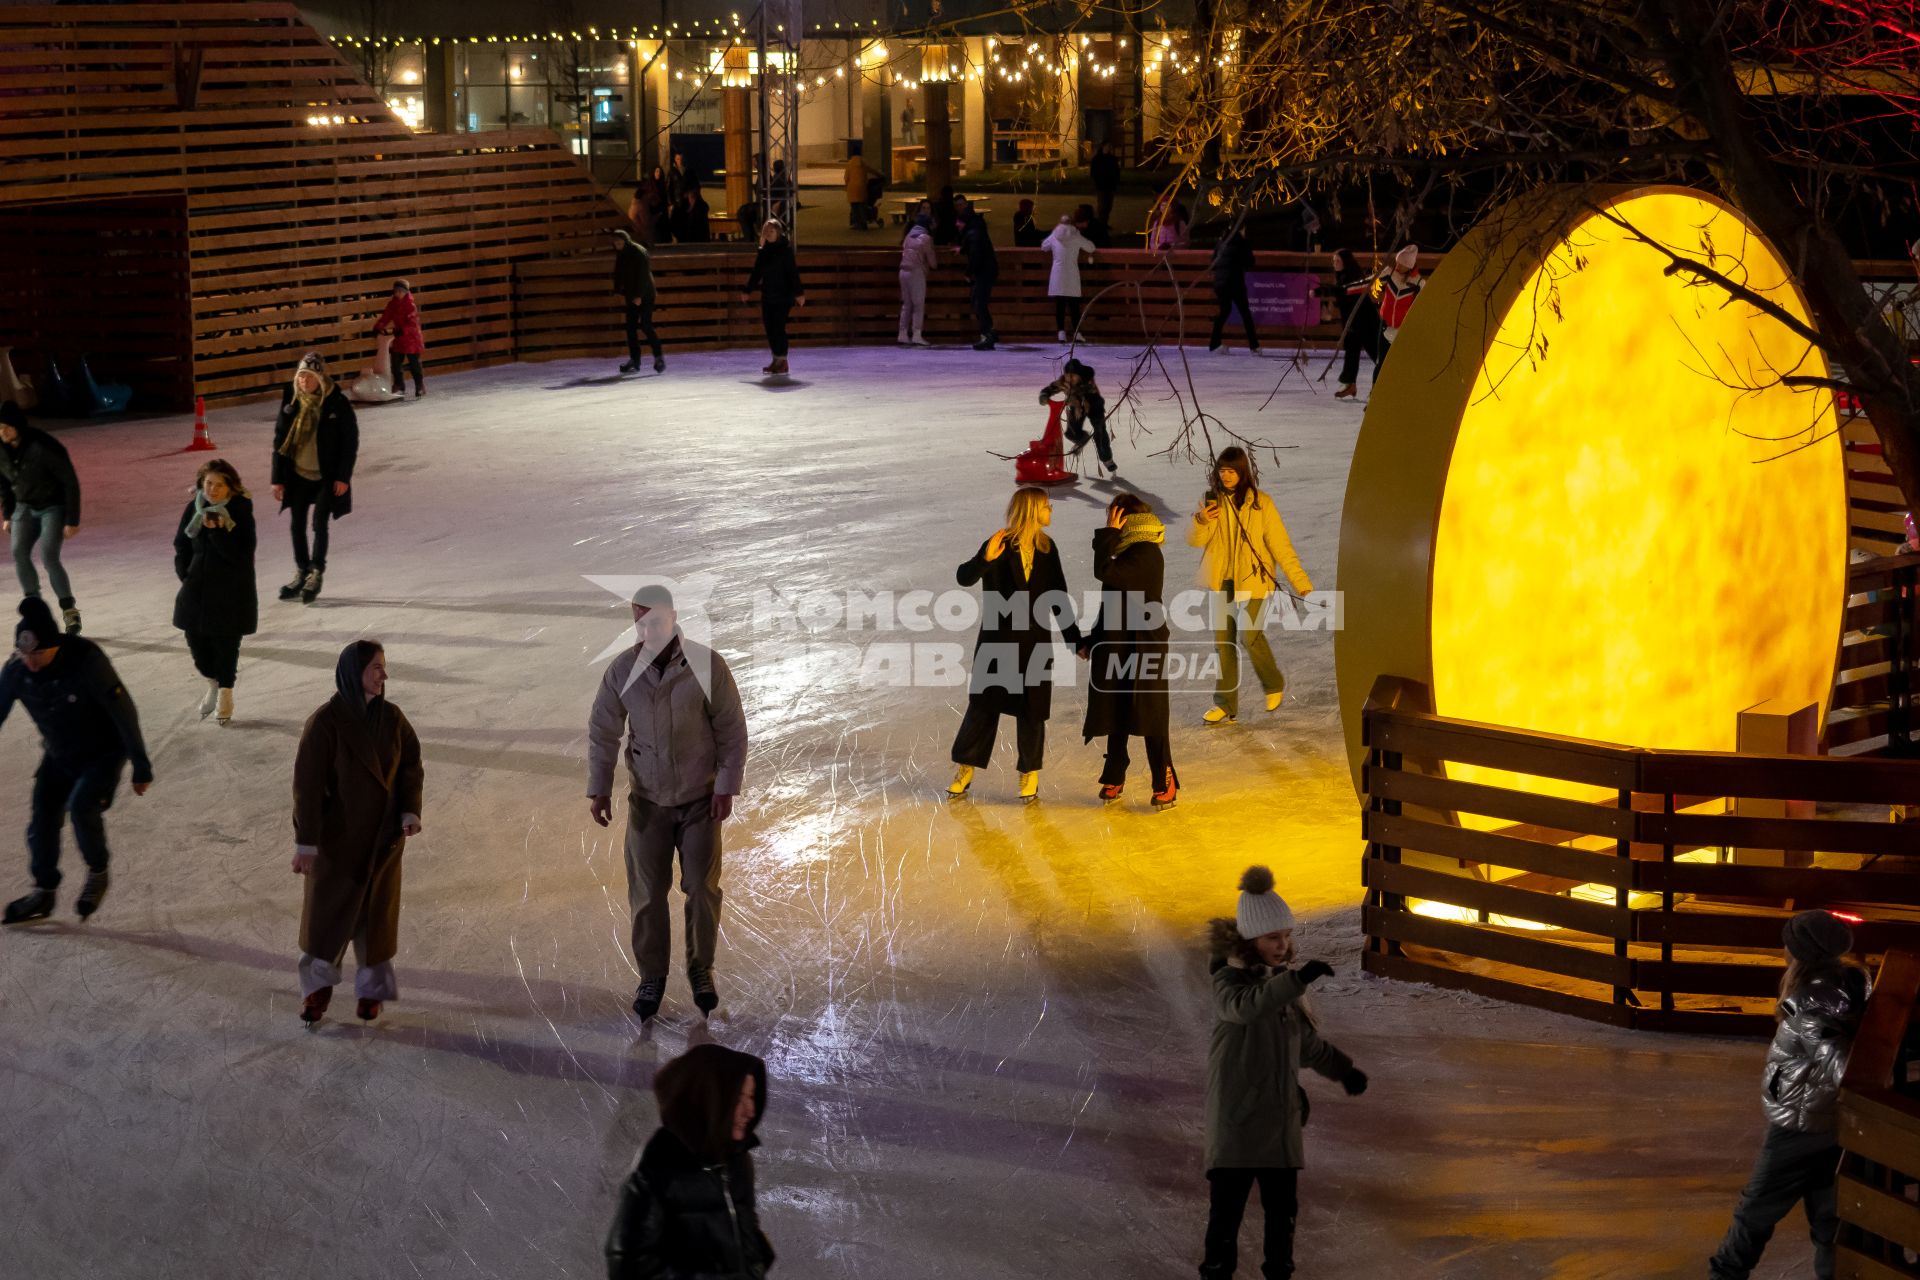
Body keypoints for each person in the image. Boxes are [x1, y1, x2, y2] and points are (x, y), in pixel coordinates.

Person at [587, 584, 748, 1022]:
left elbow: (731, 730)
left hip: (699, 801)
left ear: (673, 617)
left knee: (702, 888)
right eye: (638, 622)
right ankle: (651, 975)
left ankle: (701, 969)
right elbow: (604, 730)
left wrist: (725, 787)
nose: (646, 630)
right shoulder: (622, 671)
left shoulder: (706, 665)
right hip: (648, 803)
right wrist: (599, 787)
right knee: (646, 895)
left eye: (654, 621)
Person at [1202, 865, 1368, 1280]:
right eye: (1273, 937)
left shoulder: (1281, 986)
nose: (1283, 944)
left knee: (1282, 1222)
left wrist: (1343, 1070)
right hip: (1237, 1124)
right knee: (1225, 1221)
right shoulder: (1229, 983)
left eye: (1287, 936)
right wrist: (1295, 981)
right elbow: (1245, 1007)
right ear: (1250, 940)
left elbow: (1304, 1044)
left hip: (1279, 1124)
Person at [1709, 910, 1871, 1280]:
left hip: (1800, 1125)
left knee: (1755, 1212)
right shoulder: (1846, 982)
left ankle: (1724, 1275)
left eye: (1787, 943)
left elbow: (1842, 1065)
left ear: (1800, 951)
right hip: (1830, 1122)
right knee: (1828, 1218)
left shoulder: (1812, 1002)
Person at [291, 640, 423, 1025]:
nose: (384, 675)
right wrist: (306, 843)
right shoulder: (325, 724)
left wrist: (409, 809)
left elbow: (411, 765)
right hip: (338, 844)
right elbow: (308, 788)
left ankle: (372, 991)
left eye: (383, 668)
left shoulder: (393, 719)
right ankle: (316, 990)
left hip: (383, 842)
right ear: (355, 672)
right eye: (376, 668)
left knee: (374, 923)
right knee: (327, 921)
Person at [0, 597, 153, 925]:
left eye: (37, 654)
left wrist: (141, 765)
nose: (31, 662)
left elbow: (123, 711)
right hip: (59, 753)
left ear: (53, 647)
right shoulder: (16, 671)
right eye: (25, 654)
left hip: (103, 752)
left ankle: (98, 871)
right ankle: (44, 889)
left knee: (82, 807)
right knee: (41, 821)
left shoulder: (85, 660)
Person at [947, 487, 1081, 803]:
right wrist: (984, 559)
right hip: (998, 643)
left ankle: (1029, 773)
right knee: (983, 709)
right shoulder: (998, 544)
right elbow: (964, 578)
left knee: (1032, 712)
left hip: (1034, 644)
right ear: (1032, 510)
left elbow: (1057, 597)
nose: (1051, 510)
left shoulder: (1048, 548)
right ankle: (965, 767)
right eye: (1047, 506)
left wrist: (1075, 640)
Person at [607, 1043, 774, 1280]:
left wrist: (755, 1262)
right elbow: (626, 1264)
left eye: (752, 1097)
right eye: (740, 1099)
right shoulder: (662, 1166)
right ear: (711, 1098)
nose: (750, 1110)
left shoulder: (737, 1160)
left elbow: (744, 1226)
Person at [1189, 446, 1312, 725]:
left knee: (1249, 635)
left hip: (1253, 580)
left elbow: (1280, 545)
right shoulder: (1212, 501)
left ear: (1243, 472)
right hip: (1222, 581)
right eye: (1222, 471)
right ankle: (1225, 704)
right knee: (1223, 644)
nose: (1226, 476)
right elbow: (1195, 540)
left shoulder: (1261, 503)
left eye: (1231, 471)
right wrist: (1202, 520)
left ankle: (1273, 683)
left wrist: (1300, 581)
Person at [1078, 493, 1175, 808]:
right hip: (1118, 640)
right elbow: (1111, 603)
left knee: (1150, 712)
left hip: (1144, 643)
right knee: (1116, 708)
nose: (1109, 521)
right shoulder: (1127, 552)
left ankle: (1165, 777)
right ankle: (1115, 772)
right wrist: (1092, 639)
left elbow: (1104, 573)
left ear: (1124, 518)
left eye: (1112, 515)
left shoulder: (1146, 553)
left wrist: (1107, 534)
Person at [172, 458, 257, 727]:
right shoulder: (194, 508)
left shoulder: (240, 511)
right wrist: (186, 575)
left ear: (230, 487)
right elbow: (181, 545)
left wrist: (218, 532)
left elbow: (242, 556)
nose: (213, 489)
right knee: (195, 641)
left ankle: (226, 694)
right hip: (196, 588)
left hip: (231, 591)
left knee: (226, 644)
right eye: (208, 483)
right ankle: (213, 682)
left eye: (219, 485)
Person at [270, 353, 357, 606]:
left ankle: (316, 571)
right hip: (298, 474)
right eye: (300, 376)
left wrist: (343, 476)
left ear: (320, 378)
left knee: (319, 522)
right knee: (296, 524)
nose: (303, 382)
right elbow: (279, 441)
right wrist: (277, 478)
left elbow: (349, 443)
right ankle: (302, 570)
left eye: (309, 377)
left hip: (325, 476)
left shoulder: (337, 404)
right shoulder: (292, 402)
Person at [0, 400, 83, 635]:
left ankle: (69, 611)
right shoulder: (0, 449)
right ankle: (34, 609)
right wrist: (7, 514)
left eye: (6, 427)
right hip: (24, 506)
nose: (2, 432)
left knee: (49, 556)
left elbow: (70, 482)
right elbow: (4, 482)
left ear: (17, 426)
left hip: (51, 507)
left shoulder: (43, 446)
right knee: (18, 552)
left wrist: (72, 519)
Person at [740, 219, 806, 376]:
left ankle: (782, 360)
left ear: (778, 232)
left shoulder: (785, 250)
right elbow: (757, 272)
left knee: (778, 328)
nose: (768, 234)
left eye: (771, 231)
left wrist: (799, 293)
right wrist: (747, 290)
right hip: (768, 295)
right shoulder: (764, 250)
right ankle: (776, 359)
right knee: (770, 328)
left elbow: (792, 273)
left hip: (783, 296)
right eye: (765, 232)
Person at [1039, 359, 1117, 479]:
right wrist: (1044, 395)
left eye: (1073, 376)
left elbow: (1082, 393)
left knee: (1100, 432)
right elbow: (1050, 389)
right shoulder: (1063, 382)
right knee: (1071, 432)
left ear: (1079, 376)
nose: (1070, 378)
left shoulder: (1087, 381)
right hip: (1076, 407)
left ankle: (1107, 459)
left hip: (1094, 405)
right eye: (1067, 375)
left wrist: (1072, 400)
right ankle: (1082, 439)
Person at [1325, 248, 1382, 400]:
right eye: (1334, 261)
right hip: (1353, 324)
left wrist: (1318, 292)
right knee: (1351, 352)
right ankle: (1349, 384)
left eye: (1338, 261)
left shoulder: (1353, 277)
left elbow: (1343, 292)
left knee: (1377, 354)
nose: (1335, 264)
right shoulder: (1341, 276)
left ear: (1345, 262)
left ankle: (1387, 381)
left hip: (1366, 323)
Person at [612, 229, 665, 375]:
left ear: (626, 241)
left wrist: (639, 295)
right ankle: (635, 360)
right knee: (630, 327)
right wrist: (617, 289)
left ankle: (658, 357)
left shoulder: (638, 252)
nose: (617, 244)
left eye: (619, 242)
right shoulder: (621, 253)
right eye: (615, 242)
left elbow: (643, 275)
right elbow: (618, 272)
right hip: (632, 295)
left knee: (645, 325)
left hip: (645, 294)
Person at [1042, 214, 1097, 343]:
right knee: (1074, 305)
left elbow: (1044, 246)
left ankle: (1061, 332)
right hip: (1072, 273)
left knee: (1060, 304)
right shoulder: (1075, 235)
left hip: (1058, 273)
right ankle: (1077, 333)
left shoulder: (1055, 235)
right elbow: (1091, 247)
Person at [955, 196, 999, 351]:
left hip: (984, 271)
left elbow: (976, 254)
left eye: (958, 223)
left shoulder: (973, 233)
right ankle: (990, 331)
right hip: (988, 270)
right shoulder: (975, 229)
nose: (956, 225)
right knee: (978, 301)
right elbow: (972, 245)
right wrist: (962, 249)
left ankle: (986, 335)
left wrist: (968, 273)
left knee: (979, 302)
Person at [1208, 224, 1261, 354]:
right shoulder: (1242, 242)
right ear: (1241, 229)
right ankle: (1254, 346)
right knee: (1245, 313)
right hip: (1235, 282)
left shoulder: (1221, 242)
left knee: (1224, 311)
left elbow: (1214, 261)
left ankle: (1214, 343)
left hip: (1220, 283)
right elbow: (1250, 262)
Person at [372, 279, 426, 398]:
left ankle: (419, 385)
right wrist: (378, 327)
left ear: (406, 292)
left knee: (414, 364)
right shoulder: (392, 304)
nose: (398, 294)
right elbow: (386, 317)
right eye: (396, 291)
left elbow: (412, 322)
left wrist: (403, 330)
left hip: (412, 338)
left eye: (401, 291)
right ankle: (399, 385)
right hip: (399, 338)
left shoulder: (410, 305)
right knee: (395, 363)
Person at [1375, 243, 1423, 369]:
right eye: (1397, 262)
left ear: (1409, 266)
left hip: (1403, 328)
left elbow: (1423, 305)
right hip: (1385, 322)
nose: (1398, 265)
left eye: (1402, 264)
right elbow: (1374, 283)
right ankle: (1376, 388)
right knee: (1381, 362)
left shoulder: (1418, 282)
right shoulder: (1390, 274)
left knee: (1399, 363)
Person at [898, 215, 937, 346]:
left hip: (903, 271)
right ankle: (916, 334)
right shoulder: (925, 238)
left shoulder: (908, 237)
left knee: (907, 303)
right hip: (916, 272)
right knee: (918, 304)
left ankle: (902, 333)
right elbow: (932, 262)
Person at [1090, 140, 1121, 227]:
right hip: (1101, 186)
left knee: (1108, 206)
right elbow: (1093, 173)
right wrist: (1097, 182)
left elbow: (1117, 172)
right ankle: (1100, 224)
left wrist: (1115, 182)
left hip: (1111, 186)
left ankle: (1104, 223)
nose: (1108, 148)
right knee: (1102, 206)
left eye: (1109, 146)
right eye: (1107, 146)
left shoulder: (1112, 159)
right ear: (1103, 147)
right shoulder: (1097, 159)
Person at [844, 151, 873, 230]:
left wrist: (846, 186)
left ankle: (856, 223)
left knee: (854, 208)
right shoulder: (863, 163)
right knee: (862, 206)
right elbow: (872, 170)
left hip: (852, 189)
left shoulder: (849, 164)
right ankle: (863, 223)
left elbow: (846, 178)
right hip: (862, 188)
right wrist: (881, 175)